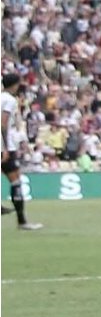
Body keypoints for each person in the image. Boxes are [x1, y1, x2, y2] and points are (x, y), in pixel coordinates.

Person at [2, 73, 42, 231]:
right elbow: (3, 124)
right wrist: (5, 148)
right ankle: (22, 222)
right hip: (4, 147)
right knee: (16, 181)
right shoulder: (10, 100)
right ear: (15, 85)